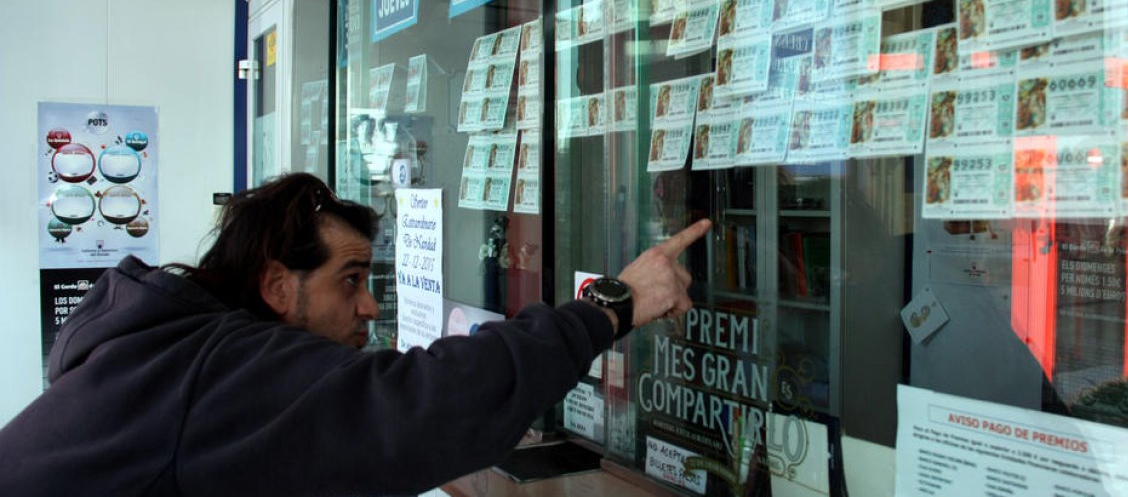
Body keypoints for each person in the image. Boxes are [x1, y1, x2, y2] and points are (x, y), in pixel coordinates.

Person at [0, 172, 711, 496]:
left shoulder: (169, 351)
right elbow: (422, 405)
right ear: (278, 285)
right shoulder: (212, 368)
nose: (370, 309)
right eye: (351, 280)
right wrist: (610, 305)